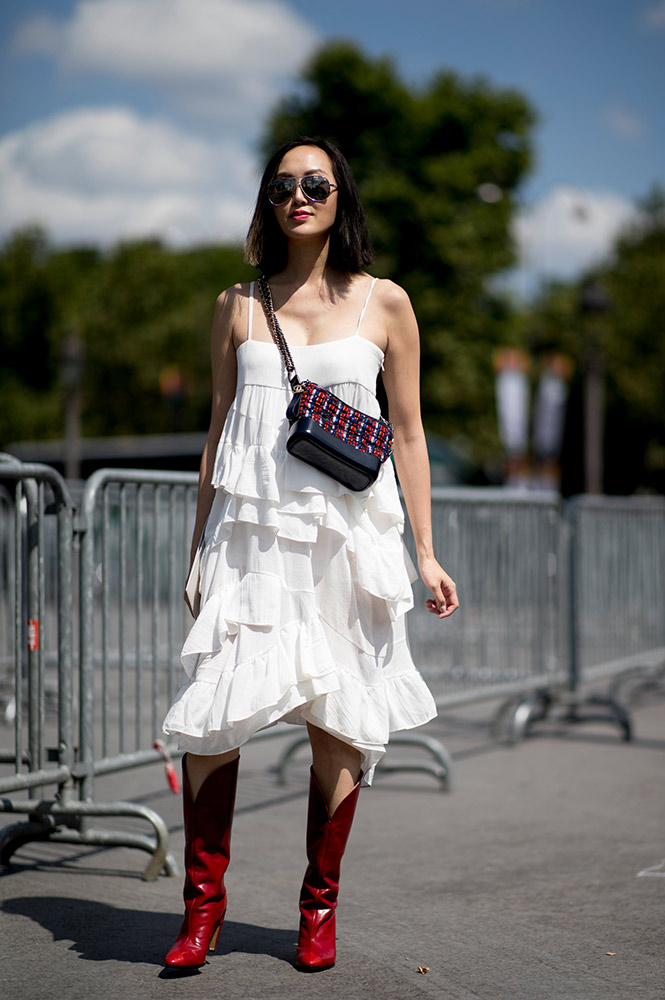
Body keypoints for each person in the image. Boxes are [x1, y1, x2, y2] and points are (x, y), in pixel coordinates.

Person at [161, 136, 459, 972]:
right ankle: (202, 910)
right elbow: (218, 431)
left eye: (316, 183)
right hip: (251, 538)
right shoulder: (238, 303)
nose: (299, 194)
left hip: (346, 537)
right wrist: (199, 549)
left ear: (339, 199)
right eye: (283, 183)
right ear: (267, 199)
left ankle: (316, 910)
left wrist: (426, 555)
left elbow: (407, 433)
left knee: (339, 722)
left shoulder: (385, 303)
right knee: (215, 718)